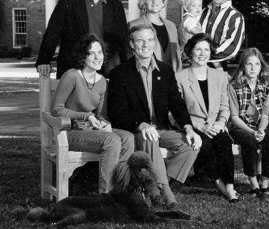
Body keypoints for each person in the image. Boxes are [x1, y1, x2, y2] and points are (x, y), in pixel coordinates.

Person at [107, 24, 201, 209]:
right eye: (140, 40)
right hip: (134, 130)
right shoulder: (120, 73)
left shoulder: (165, 70)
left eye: (150, 40)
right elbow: (117, 113)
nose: (145, 44)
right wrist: (141, 125)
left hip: (161, 128)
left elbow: (177, 104)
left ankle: (155, 183)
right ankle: (163, 195)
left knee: (191, 145)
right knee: (150, 138)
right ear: (132, 44)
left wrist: (189, 129)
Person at [51, 33, 134, 194]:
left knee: (128, 138)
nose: (97, 57)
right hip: (68, 133)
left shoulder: (102, 81)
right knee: (112, 141)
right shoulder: (72, 76)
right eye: (91, 53)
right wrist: (85, 116)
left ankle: (120, 190)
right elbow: (56, 109)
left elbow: (101, 114)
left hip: (91, 131)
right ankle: (106, 194)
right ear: (83, 56)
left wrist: (105, 123)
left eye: (100, 52)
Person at [36, 0, 129, 79]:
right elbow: (52, 33)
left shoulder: (115, 5)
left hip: (107, 71)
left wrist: (130, 67)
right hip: (74, 70)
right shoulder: (67, 1)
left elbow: (123, 40)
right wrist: (43, 60)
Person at [176, 33, 238, 202]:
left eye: (206, 49)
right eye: (198, 49)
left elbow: (225, 107)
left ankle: (230, 187)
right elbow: (175, 111)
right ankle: (219, 184)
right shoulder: (180, 77)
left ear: (210, 53)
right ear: (190, 52)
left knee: (225, 141)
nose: (202, 53)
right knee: (205, 144)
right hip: (193, 127)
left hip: (215, 125)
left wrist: (221, 122)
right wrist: (199, 126)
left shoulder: (220, 76)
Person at [228, 47, 269, 198]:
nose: (252, 68)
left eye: (256, 64)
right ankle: (253, 184)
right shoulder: (233, 87)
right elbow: (234, 117)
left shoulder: (268, 88)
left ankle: (264, 182)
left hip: (259, 127)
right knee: (249, 140)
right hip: (240, 127)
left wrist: (261, 130)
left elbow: (265, 115)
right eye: (249, 64)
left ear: (261, 67)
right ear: (243, 66)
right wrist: (252, 132)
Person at [128, 0, 182, 72]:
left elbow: (177, 56)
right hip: (146, 75)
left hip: (171, 76)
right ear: (144, 3)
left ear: (162, 1)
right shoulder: (134, 25)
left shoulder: (171, 26)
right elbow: (130, 56)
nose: (154, 2)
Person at [200, 0, 245, 71]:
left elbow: (231, 48)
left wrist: (200, 55)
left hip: (218, 71)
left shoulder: (235, 16)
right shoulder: (202, 13)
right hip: (195, 70)